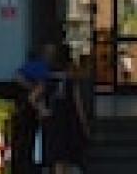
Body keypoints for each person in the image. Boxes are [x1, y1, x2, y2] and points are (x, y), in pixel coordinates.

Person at [30, 44, 90, 174]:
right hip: (68, 122)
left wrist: (42, 110)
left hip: (51, 121)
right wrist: (84, 125)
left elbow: (32, 98)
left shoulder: (47, 79)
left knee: (55, 158)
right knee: (65, 159)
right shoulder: (71, 82)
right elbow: (78, 106)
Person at [12, 43, 57, 174]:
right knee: (29, 141)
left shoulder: (45, 68)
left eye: (52, 52)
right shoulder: (40, 67)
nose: (51, 55)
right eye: (49, 52)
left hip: (30, 111)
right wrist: (31, 88)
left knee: (28, 142)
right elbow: (19, 78)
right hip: (29, 112)